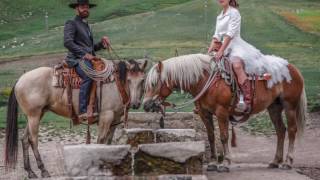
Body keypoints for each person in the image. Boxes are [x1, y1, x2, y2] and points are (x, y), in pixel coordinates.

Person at [208, 0, 287, 112]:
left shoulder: (234, 13)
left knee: (236, 65)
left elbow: (230, 34)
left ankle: (245, 98)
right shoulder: (219, 16)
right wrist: (210, 50)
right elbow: (216, 36)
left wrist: (221, 51)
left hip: (235, 46)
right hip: (222, 46)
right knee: (207, 63)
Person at [64, 0, 110, 120]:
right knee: (89, 75)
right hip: (76, 59)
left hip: (86, 58)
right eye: (82, 6)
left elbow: (90, 48)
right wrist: (84, 54)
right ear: (77, 9)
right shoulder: (71, 23)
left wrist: (101, 44)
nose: (86, 8)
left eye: (87, 7)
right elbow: (68, 42)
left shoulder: (86, 25)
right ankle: (83, 110)